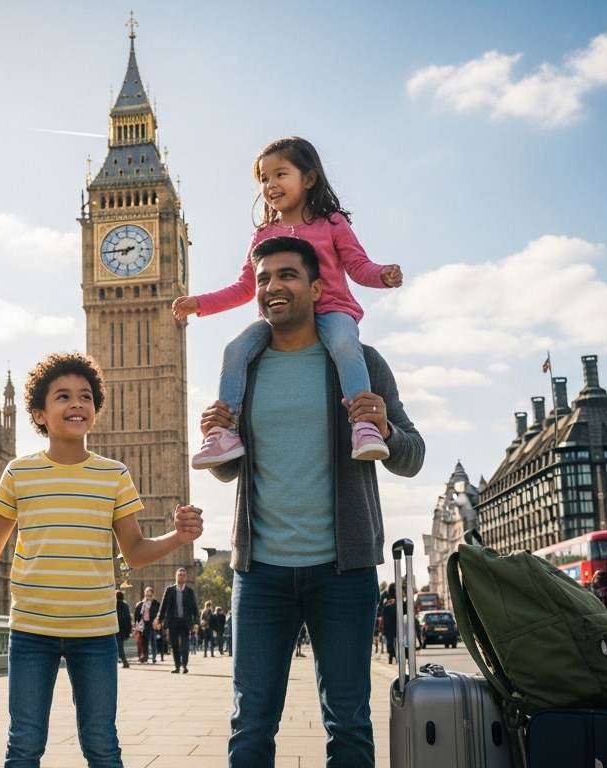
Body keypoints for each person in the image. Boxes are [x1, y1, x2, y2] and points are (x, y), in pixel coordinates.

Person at [0, 352, 203, 768]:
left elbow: (134, 552)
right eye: (63, 396)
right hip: (32, 630)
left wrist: (179, 535)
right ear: (38, 413)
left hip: (96, 632)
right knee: (25, 745)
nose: (76, 404)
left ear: (96, 410)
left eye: (85, 396)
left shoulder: (114, 475)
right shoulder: (18, 473)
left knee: (102, 743)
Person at [201, 236, 424, 768]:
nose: (273, 287)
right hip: (260, 574)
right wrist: (216, 432)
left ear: (318, 287)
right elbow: (230, 470)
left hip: (342, 572)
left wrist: (386, 428)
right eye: (263, 280)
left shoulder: (359, 362)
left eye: (287, 275)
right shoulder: (244, 368)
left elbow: (411, 455)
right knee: (250, 725)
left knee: (348, 723)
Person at [175, 136, 404, 470]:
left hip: (333, 311)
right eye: (264, 179)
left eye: (280, 174)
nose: (270, 184)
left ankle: (364, 424)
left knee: (344, 342)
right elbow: (244, 287)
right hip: (276, 321)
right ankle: (224, 432)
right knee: (235, 349)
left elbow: (358, 266)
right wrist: (200, 303)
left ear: (308, 179)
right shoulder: (263, 235)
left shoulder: (332, 224)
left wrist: (382, 275)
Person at [157, 567, 199, 674]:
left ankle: (184, 665)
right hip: (173, 622)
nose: (181, 577)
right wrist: (159, 620)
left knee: (185, 645)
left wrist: (196, 623)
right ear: (176, 577)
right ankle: (177, 666)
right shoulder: (169, 590)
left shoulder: (190, 591)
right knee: (174, 645)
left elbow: (195, 608)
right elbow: (163, 607)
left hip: (185, 622)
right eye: (179, 575)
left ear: (186, 577)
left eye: (183, 575)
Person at [133, 587, 160, 663]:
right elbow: (137, 614)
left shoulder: (156, 604)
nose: (149, 594)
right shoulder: (141, 604)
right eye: (147, 592)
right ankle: (145, 657)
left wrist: (158, 622)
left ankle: (154, 657)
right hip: (143, 624)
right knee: (144, 642)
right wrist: (137, 623)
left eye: (150, 593)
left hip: (152, 623)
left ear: (153, 594)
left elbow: (159, 614)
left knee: (153, 641)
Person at [379, 585, 399, 665]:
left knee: (390, 643)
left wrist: (382, 598)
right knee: (396, 643)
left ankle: (391, 656)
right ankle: (394, 656)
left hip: (388, 628)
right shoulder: (399, 603)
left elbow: (379, 610)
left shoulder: (386, 604)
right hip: (397, 627)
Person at [116, 590, 133, 669]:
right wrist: (129, 629)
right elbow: (128, 618)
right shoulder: (125, 606)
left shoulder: (115, 606)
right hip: (123, 628)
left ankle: (124, 661)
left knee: (118, 646)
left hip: (116, 628)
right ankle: (123, 661)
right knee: (119, 645)